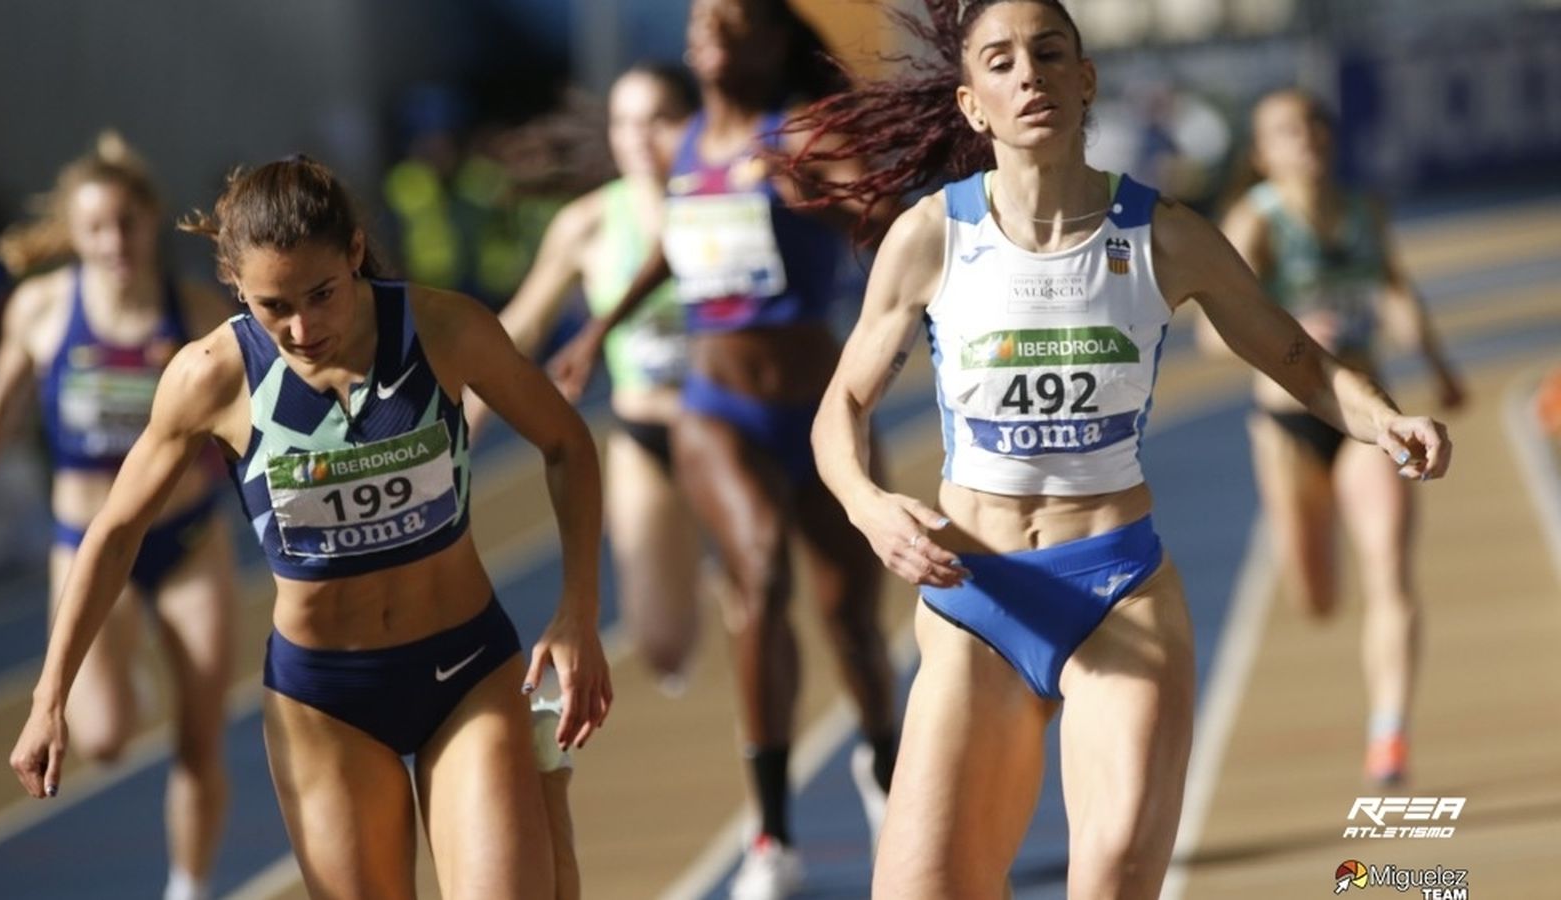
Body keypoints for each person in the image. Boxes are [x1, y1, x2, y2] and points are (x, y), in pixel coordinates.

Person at [784, 1, 1452, 896]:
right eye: (1001, 61)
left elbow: (1298, 358)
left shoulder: (1164, 234)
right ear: (973, 103)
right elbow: (841, 408)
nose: (1029, 74)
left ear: (1085, 78)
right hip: (975, 598)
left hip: (1118, 592)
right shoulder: (933, 238)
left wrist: (1386, 419)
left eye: (1049, 53)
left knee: (1110, 882)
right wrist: (869, 511)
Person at [8, 156, 612, 899]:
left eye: (322, 294)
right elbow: (115, 530)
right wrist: (49, 698)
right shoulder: (211, 376)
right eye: (273, 306)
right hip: (325, 702)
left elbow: (567, 444)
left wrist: (577, 610)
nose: (302, 327)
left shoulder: (444, 327)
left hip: (465, 669)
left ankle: (540, 797)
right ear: (235, 285)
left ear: (356, 251)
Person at [550, 2, 901, 894]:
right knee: (759, 578)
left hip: (820, 410)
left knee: (855, 626)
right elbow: (670, 244)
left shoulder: (807, 132)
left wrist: (816, 196)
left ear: (773, 40)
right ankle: (772, 840)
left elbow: (889, 223)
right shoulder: (689, 143)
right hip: (715, 408)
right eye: (700, 18)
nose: (707, 28)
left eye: (731, 18)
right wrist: (600, 329)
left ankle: (885, 770)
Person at [0, 134, 237, 900]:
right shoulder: (44, 308)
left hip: (185, 540)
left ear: (150, 220)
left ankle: (189, 885)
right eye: (96, 229)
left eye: (127, 222)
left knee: (200, 737)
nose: (114, 242)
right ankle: (124, 685)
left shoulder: (196, 311)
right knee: (108, 741)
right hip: (85, 548)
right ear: (73, 236)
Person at [1202, 88, 1465, 786]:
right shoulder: (1254, 223)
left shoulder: (1363, 210)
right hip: (1288, 425)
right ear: (1262, 154)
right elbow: (1208, 332)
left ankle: (1389, 732)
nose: (1308, 138)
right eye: (1288, 130)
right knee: (1316, 599)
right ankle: (1327, 577)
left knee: (1390, 566)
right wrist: (1289, 338)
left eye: (1316, 123)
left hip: (1368, 417)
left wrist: (1437, 364)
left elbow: (1395, 285)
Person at [491, 63, 704, 691]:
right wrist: (452, 411)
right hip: (644, 431)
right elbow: (515, 334)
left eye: (659, 119)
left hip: (729, 427)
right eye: (625, 122)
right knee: (662, 645)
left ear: (693, 122)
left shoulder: (723, 201)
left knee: (758, 611)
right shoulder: (586, 223)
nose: (639, 136)